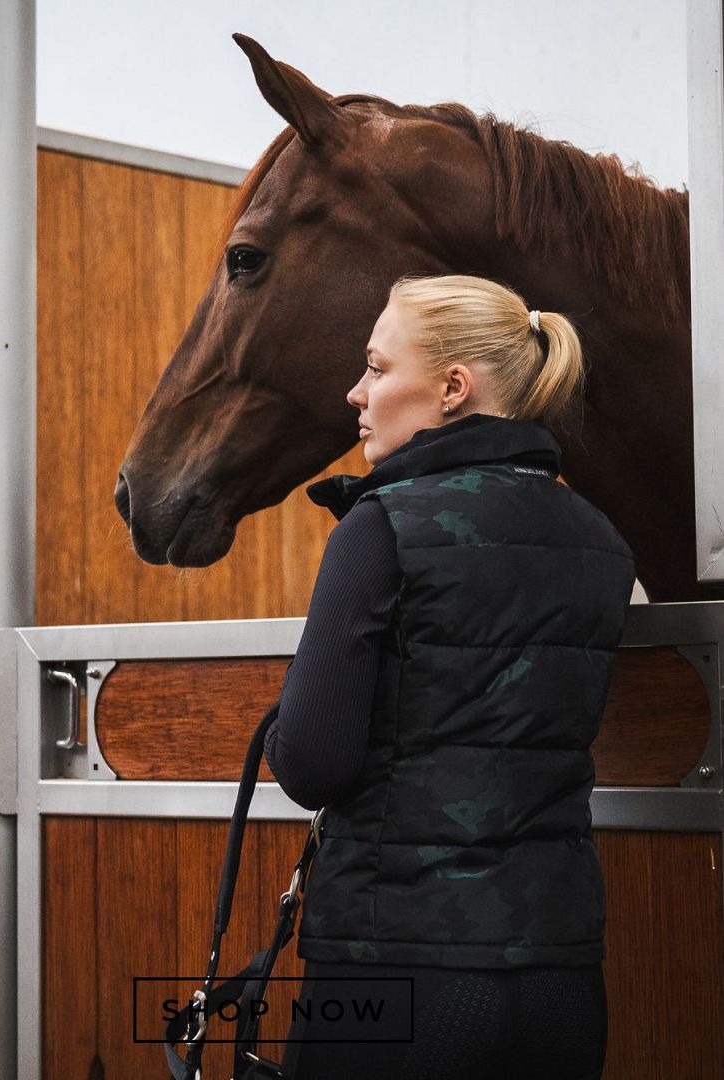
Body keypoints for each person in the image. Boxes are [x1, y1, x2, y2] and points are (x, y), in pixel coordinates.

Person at [263, 274, 636, 1080]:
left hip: (390, 964)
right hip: (561, 978)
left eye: (376, 368)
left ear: (452, 388)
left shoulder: (383, 523)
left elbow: (312, 763)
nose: (355, 392)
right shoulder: (598, 537)